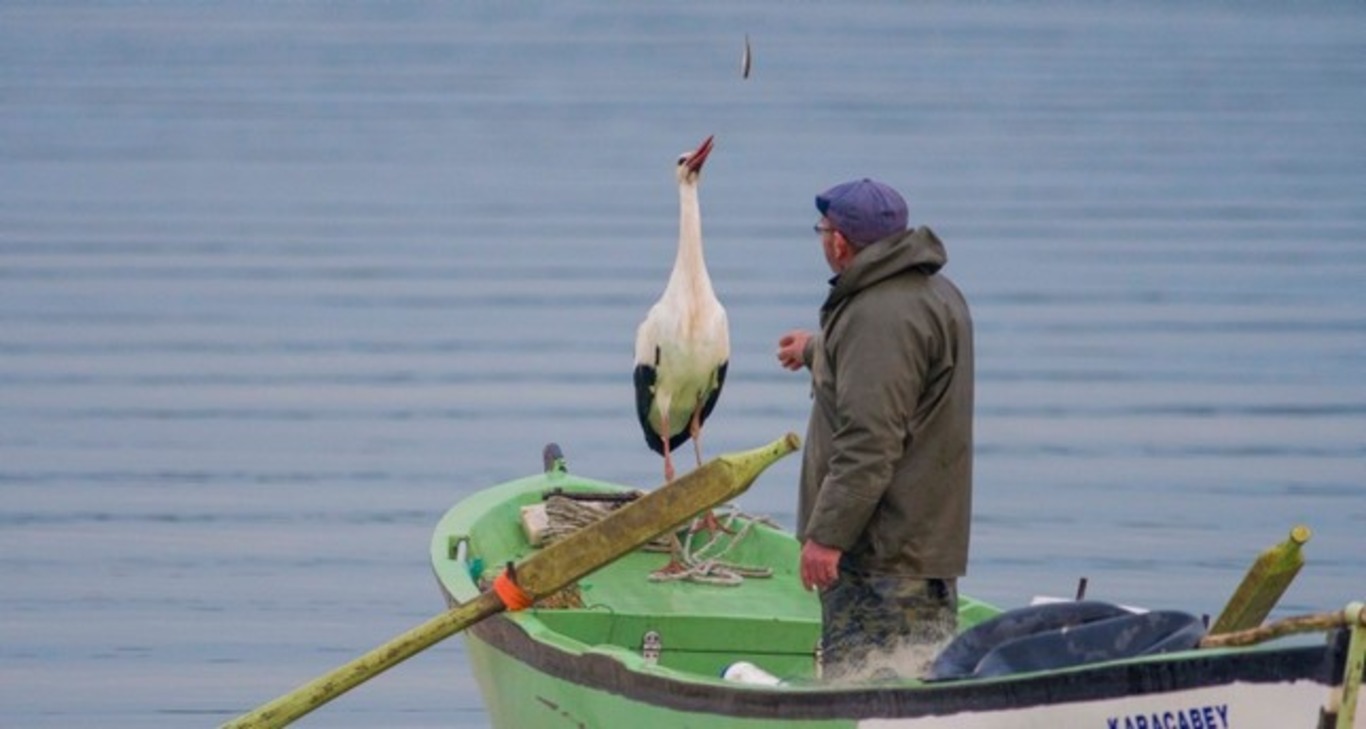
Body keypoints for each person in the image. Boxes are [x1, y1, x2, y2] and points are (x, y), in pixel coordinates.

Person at [776, 178, 974, 682]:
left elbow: (869, 442)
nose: (823, 239)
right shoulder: (932, 294)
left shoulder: (875, 316)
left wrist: (826, 537)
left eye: (823, 230)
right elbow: (893, 376)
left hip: (879, 559)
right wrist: (816, 349)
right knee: (919, 695)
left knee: (869, 695)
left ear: (839, 241)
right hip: (918, 550)